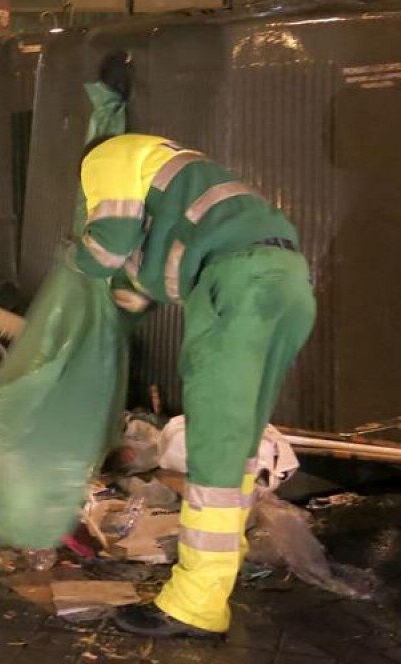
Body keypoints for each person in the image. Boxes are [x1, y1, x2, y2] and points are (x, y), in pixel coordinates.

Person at [66, 133, 316, 638]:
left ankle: (196, 604)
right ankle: (225, 564)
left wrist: (71, 265)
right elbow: (144, 276)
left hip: (239, 286)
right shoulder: (176, 173)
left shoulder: (107, 156)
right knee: (239, 440)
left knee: (215, 445)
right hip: (287, 284)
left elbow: (108, 244)